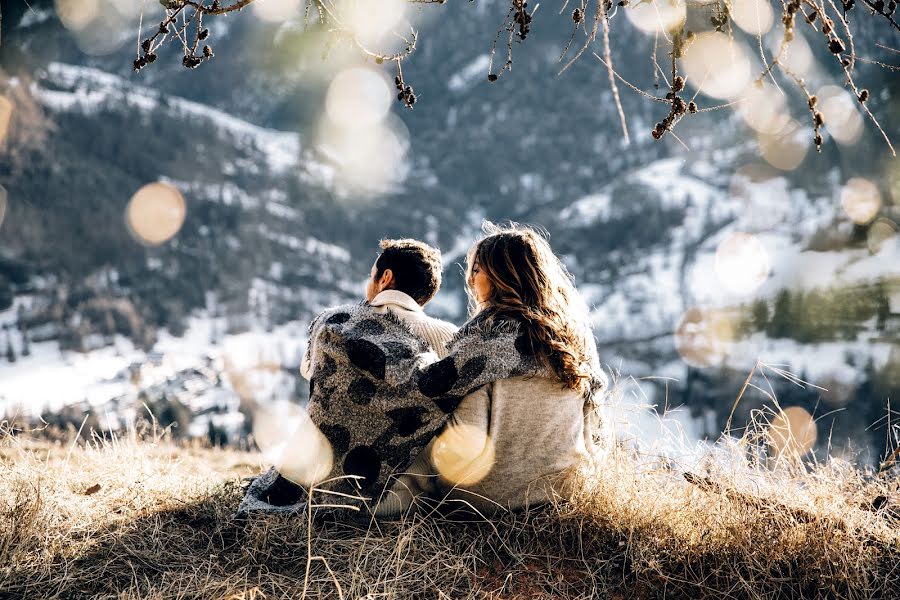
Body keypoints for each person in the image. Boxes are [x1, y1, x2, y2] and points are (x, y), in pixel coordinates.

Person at [377, 222, 605, 517]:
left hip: (485, 498)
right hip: (566, 489)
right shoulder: (573, 338)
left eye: (476, 271)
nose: (471, 282)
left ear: (502, 276)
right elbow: (595, 421)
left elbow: (442, 404)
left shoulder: (483, 338)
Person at [301, 238, 457, 380]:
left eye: (371, 275)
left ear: (385, 278)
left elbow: (309, 370)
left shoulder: (337, 321)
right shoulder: (450, 337)